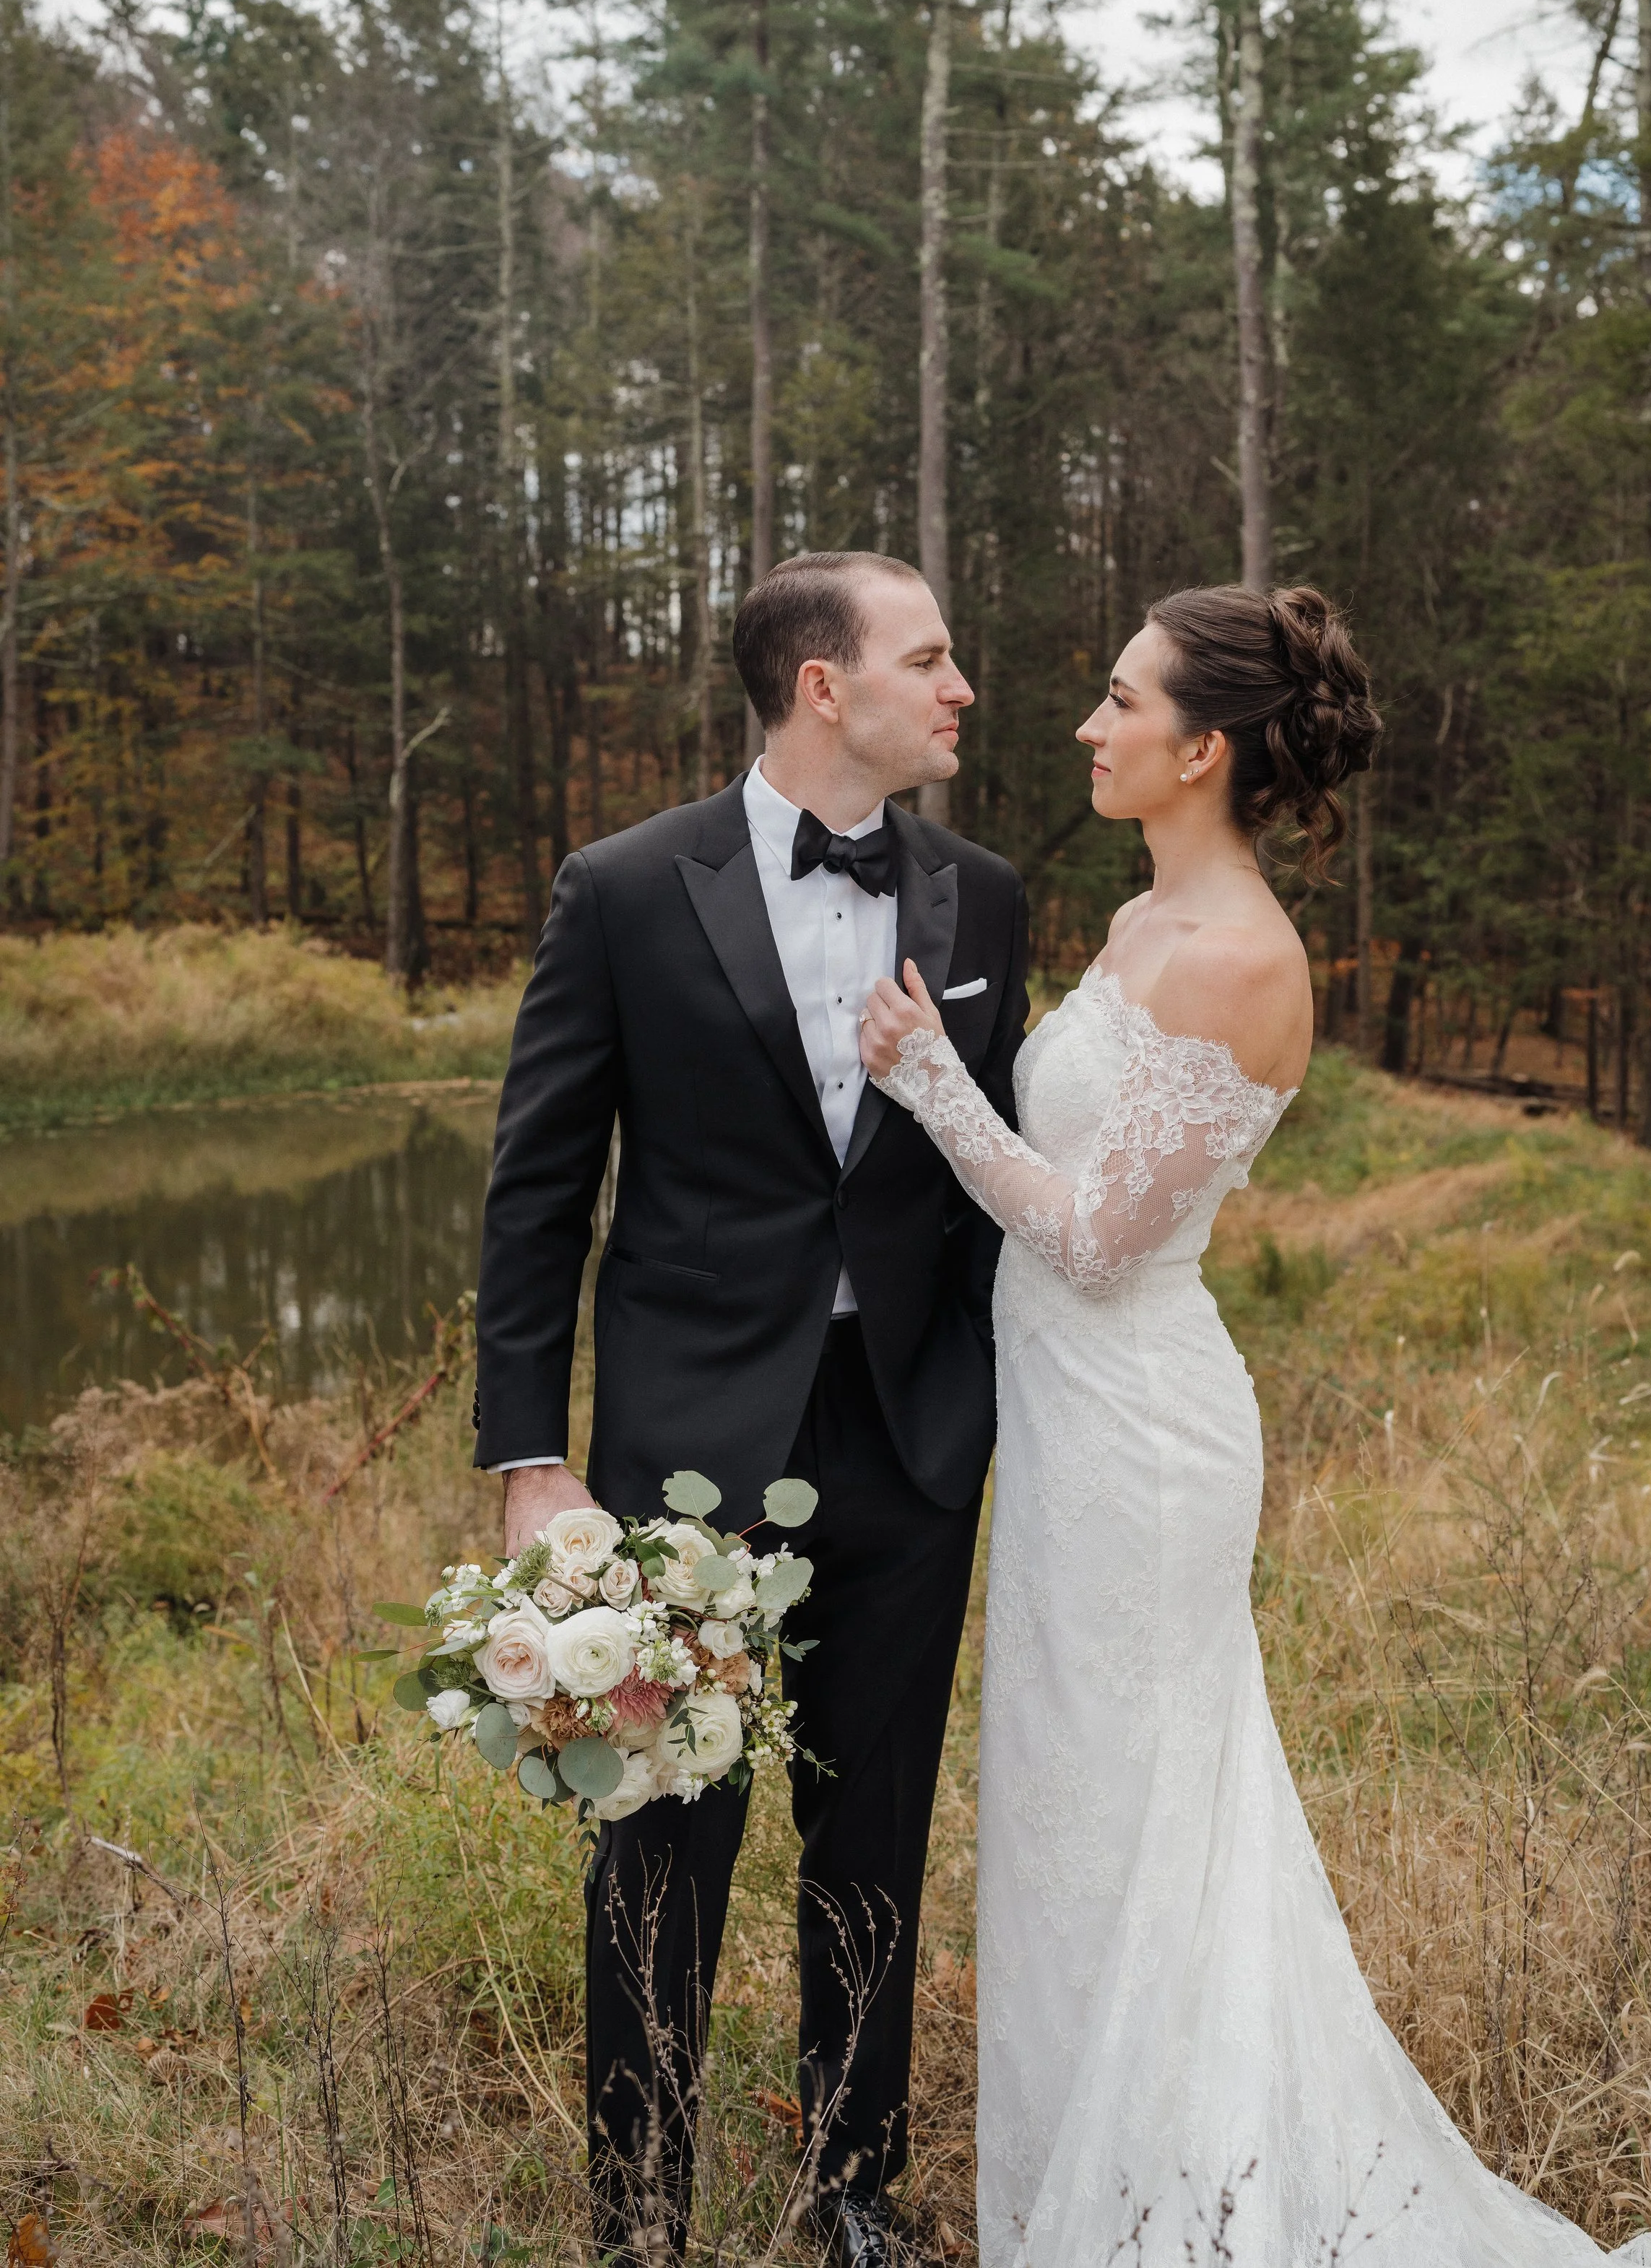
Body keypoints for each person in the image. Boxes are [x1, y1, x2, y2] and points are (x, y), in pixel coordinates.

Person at [859, 583, 1651, 2268]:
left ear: (1199, 748)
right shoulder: (1143, 920)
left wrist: (928, 1082)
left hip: (1140, 1434)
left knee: (1150, 1822)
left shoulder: (1237, 959)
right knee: (1074, 1817)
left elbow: (1090, 1240)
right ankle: (1090, 2189)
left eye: (1116, 700)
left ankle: (1180, 2216)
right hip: (1070, 1431)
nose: (1085, 724)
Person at [472, 550, 1028, 2267]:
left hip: (908, 1442)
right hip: (683, 1450)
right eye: (926, 660)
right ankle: (636, 2207)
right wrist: (526, 1454)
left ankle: (851, 2189)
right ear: (820, 687)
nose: (955, 691)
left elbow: (986, 1167)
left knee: (870, 1829)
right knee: (658, 1844)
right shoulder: (626, 888)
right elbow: (537, 1189)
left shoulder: (985, 896)